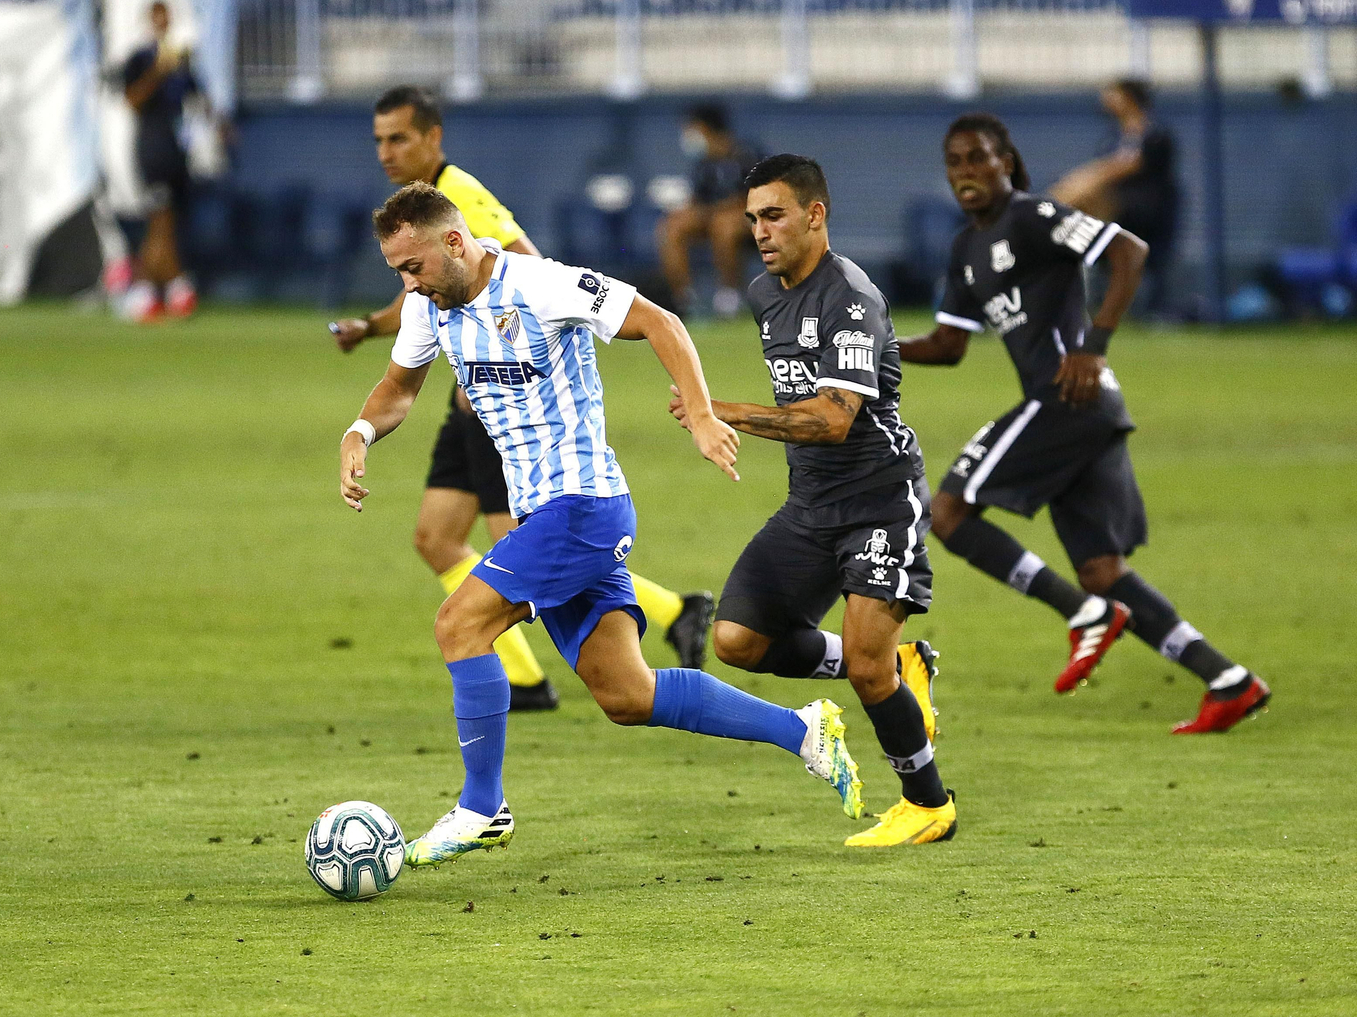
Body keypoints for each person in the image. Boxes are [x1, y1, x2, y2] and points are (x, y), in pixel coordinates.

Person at [340, 182, 864, 865]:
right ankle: (803, 731)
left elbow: (662, 323)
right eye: (398, 272)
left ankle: (482, 806)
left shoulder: (542, 286)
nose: (407, 284)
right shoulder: (427, 306)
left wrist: (703, 415)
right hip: (543, 516)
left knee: (459, 624)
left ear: (455, 242)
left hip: (583, 507)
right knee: (627, 694)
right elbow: (398, 388)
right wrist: (359, 432)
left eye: (413, 267)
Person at [330, 86, 716, 711]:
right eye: (378, 140)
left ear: (432, 137)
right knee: (440, 539)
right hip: (479, 402)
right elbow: (407, 350)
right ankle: (791, 718)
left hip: (522, 419)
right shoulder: (417, 256)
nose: (385, 152)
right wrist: (362, 409)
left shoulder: (463, 198)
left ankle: (518, 718)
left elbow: (527, 270)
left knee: (483, 586)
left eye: (398, 138)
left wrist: (699, 413)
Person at [898, 113, 1269, 734]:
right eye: (955, 162)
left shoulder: (1034, 216)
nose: (967, 171)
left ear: (1006, 162)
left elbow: (1130, 251)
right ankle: (1228, 680)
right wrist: (878, 344)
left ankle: (1082, 614)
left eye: (979, 157)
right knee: (1102, 571)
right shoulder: (965, 250)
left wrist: (1093, 346)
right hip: (1079, 415)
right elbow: (947, 344)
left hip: (1069, 400)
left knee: (949, 512)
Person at [673, 154, 955, 847]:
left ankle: (928, 803)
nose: (759, 232)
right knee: (737, 641)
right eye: (752, 220)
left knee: (866, 668)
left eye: (773, 216)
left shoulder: (851, 297)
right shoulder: (765, 294)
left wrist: (720, 411)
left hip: (880, 500)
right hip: (810, 505)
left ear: (815, 214)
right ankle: (904, 662)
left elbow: (833, 420)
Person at [1050, 79, 1181, 319]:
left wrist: (1078, 182)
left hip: (1144, 211)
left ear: (1128, 98)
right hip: (1111, 209)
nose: (1105, 99)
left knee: (1082, 192)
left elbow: (1122, 167)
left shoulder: (1154, 134)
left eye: (1112, 94)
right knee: (1080, 196)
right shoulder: (1113, 138)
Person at [121, 0, 204, 322]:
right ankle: (169, 286)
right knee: (161, 220)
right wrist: (157, 71)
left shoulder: (180, 61)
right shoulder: (140, 59)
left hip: (176, 152)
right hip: (152, 150)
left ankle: (152, 291)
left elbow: (197, 99)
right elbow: (132, 100)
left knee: (166, 223)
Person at [656, 102, 761, 318]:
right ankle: (684, 300)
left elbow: (759, 196)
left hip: (750, 221)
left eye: (692, 130)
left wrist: (721, 211)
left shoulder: (747, 155)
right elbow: (699, 201)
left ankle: (729, 297)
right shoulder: (704, 164)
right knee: (672, 226)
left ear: (707, 129)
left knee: (724, 225)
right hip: (712, 218)